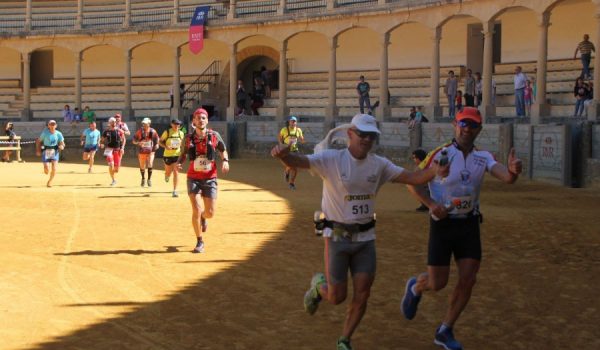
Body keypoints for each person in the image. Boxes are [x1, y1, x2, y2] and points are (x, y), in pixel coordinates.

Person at [271, 113, 448, 350]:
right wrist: (283, 155)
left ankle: (345, 339)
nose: (366, 139)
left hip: (366, 238)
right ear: (350, 134)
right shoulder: (331, 159)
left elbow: (414, 177)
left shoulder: (379, 164)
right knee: (337, 297)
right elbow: (298, 161)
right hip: (336, 237)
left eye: (371, 136)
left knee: (363, 293)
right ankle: (318, 288)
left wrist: (434, 171)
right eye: (362, 134)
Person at [401, 107, 523, 350]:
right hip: (443, 225)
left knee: (468, 279)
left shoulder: (484, 157)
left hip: (469, 224)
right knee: (438, 283)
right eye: (463, 124)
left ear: (479, 129)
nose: (467, 128)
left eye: (473, 125)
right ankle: (416, 286)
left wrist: (513, 171)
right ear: (455, 126)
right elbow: (413, 183)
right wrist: (432, 205)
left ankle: (445, 329)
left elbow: (506, 178)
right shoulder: (440, 154)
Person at [177, 108, 229, 253]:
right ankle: (199, 241)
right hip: (193, 177)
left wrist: (225, 160)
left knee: (210, 213)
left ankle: (203, 218)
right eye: (198, 118)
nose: (201, 120)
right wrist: (180, 162)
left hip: (210, 177)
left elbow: (222, 149)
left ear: (207, 120)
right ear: (193, 121)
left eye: (203, 118)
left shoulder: (214, 135)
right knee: (196, 209)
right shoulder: (188, 138)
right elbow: (184, 153)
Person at [35, 120, 65, 188]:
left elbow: (61, 142)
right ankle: (46, 168)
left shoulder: (58, 133)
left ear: (56, 126)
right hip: (46, 151)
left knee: (54, 168)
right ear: (48, 126)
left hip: (55, 151)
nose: (52, 126)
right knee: (47, 170)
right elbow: (38, 141)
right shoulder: (45, 133)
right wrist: (38, 150)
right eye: (51, 124)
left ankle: (50, 181)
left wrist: (62, 146)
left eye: (53, 124)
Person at [159, 119, 185, 197]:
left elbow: (182, 144)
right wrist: (166, 147)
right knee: (168, 172)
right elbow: (160, 141)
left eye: (178, 124)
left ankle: (175, 190)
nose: (177, 126)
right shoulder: (167, 132)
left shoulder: (181, 133)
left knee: (176, 172)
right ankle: (166, 176)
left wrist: (182, 149)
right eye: (175, 124)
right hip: (167, 155)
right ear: (171, 124)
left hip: (177, 155)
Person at [278, 116, 305, 190]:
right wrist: (281, 144)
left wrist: (302, 140)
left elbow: (302, 139)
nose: (293, 123)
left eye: (295, 121)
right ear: (289, 122)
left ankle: (291, 183)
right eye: (292, 121)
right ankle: (287, 172)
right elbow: (280, 137)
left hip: (295, 150)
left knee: (295, 167)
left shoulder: (298, 130)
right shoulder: (284, 129)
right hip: (287, 150)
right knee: (290, 165)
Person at [133, 117, 159, 187]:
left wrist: (156, 144)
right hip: (142, 151)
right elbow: (134, 140)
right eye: (143, 124)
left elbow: (157, 139)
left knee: (150, 164)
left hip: (151, 151)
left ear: (149, 124)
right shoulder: (139, 132)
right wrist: (138, 143)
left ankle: (149, 179)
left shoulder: (153, 131)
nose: (144, 125)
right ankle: (143, 178)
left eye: (145, 124)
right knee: (142, 166)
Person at [100, 117, 126, 186]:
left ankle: (112, 172)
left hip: (117, 150)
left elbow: (123, 140)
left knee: (116, 169)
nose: (114, 123)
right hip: (109, 149)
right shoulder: (106, 131)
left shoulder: (119, 131)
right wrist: (101, 144)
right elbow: (102, 140)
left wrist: (122, 148)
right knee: (111, 164)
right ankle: (113, 180)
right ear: (109, 123)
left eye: (115, 122)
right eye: (112, 122)